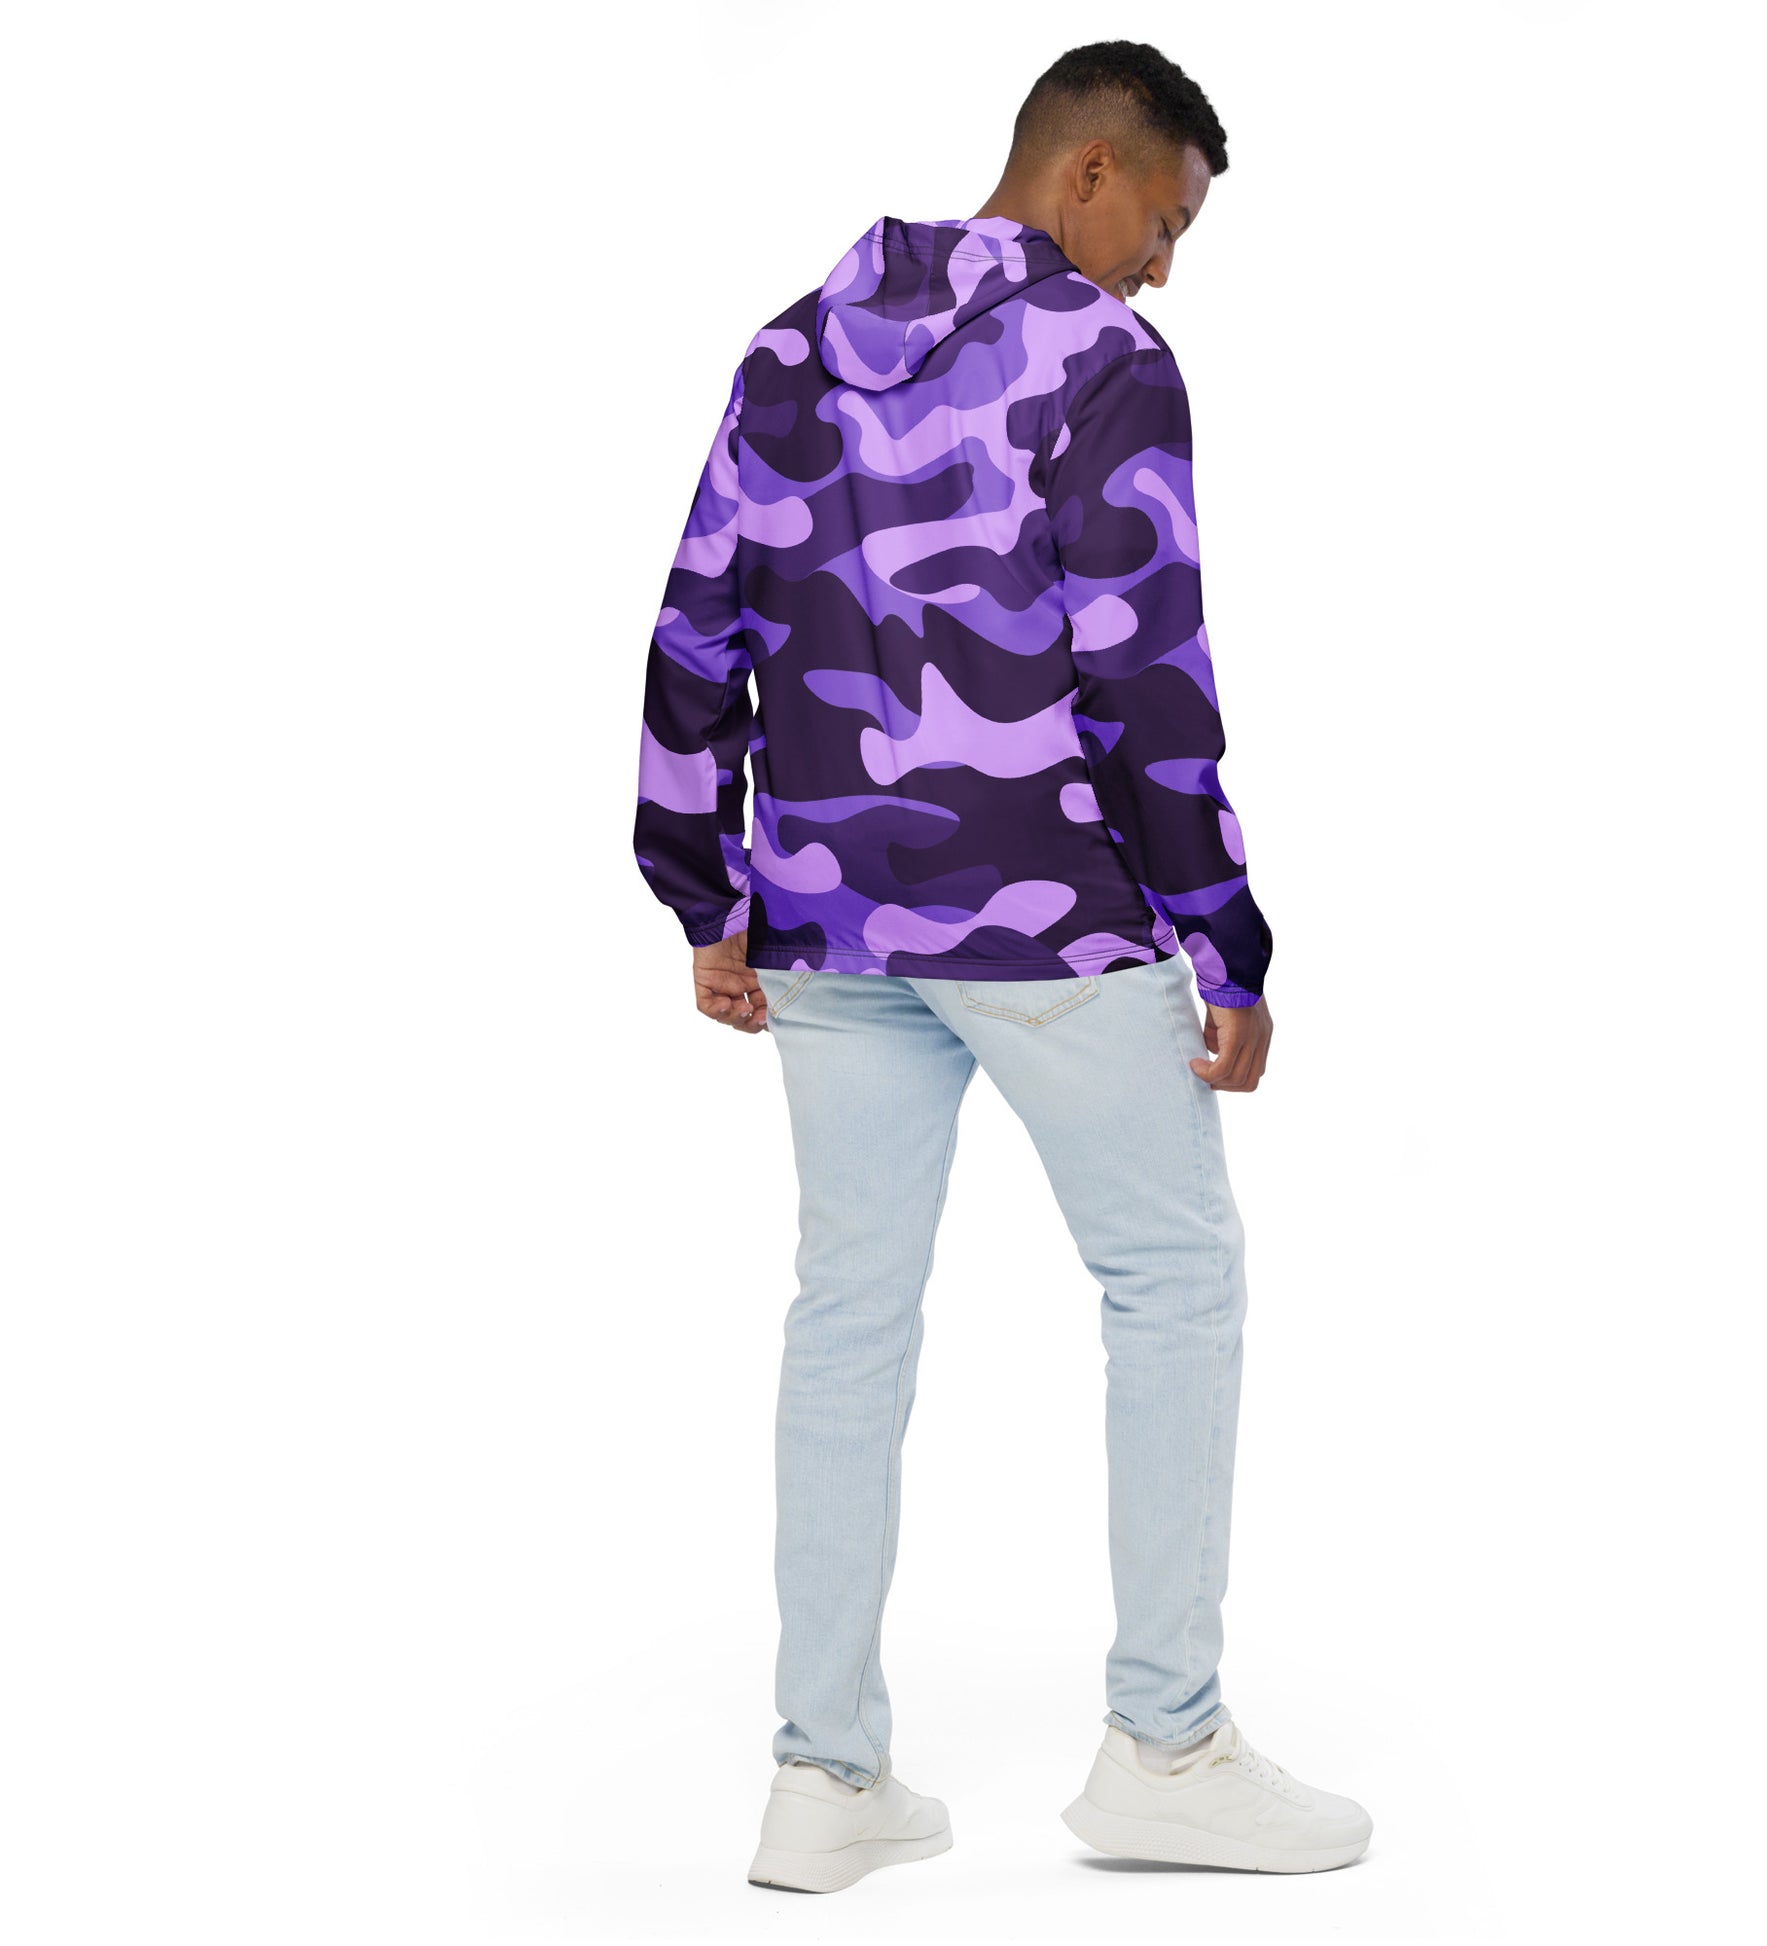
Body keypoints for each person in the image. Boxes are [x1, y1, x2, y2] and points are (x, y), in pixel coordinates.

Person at [633, 39, 1372, 1892]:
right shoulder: (1099, 360)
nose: (1163, 269)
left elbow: (696, 622)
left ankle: (822, 1777)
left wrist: (703, 889)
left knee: (847, 1315)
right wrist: (1225, 936)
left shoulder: (791, 349)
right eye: (1165, 222)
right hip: (1048, 917)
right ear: (1090, 168)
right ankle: (1166, 1746)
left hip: (824, 917)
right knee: (1173, 1280)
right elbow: (1144, 673)